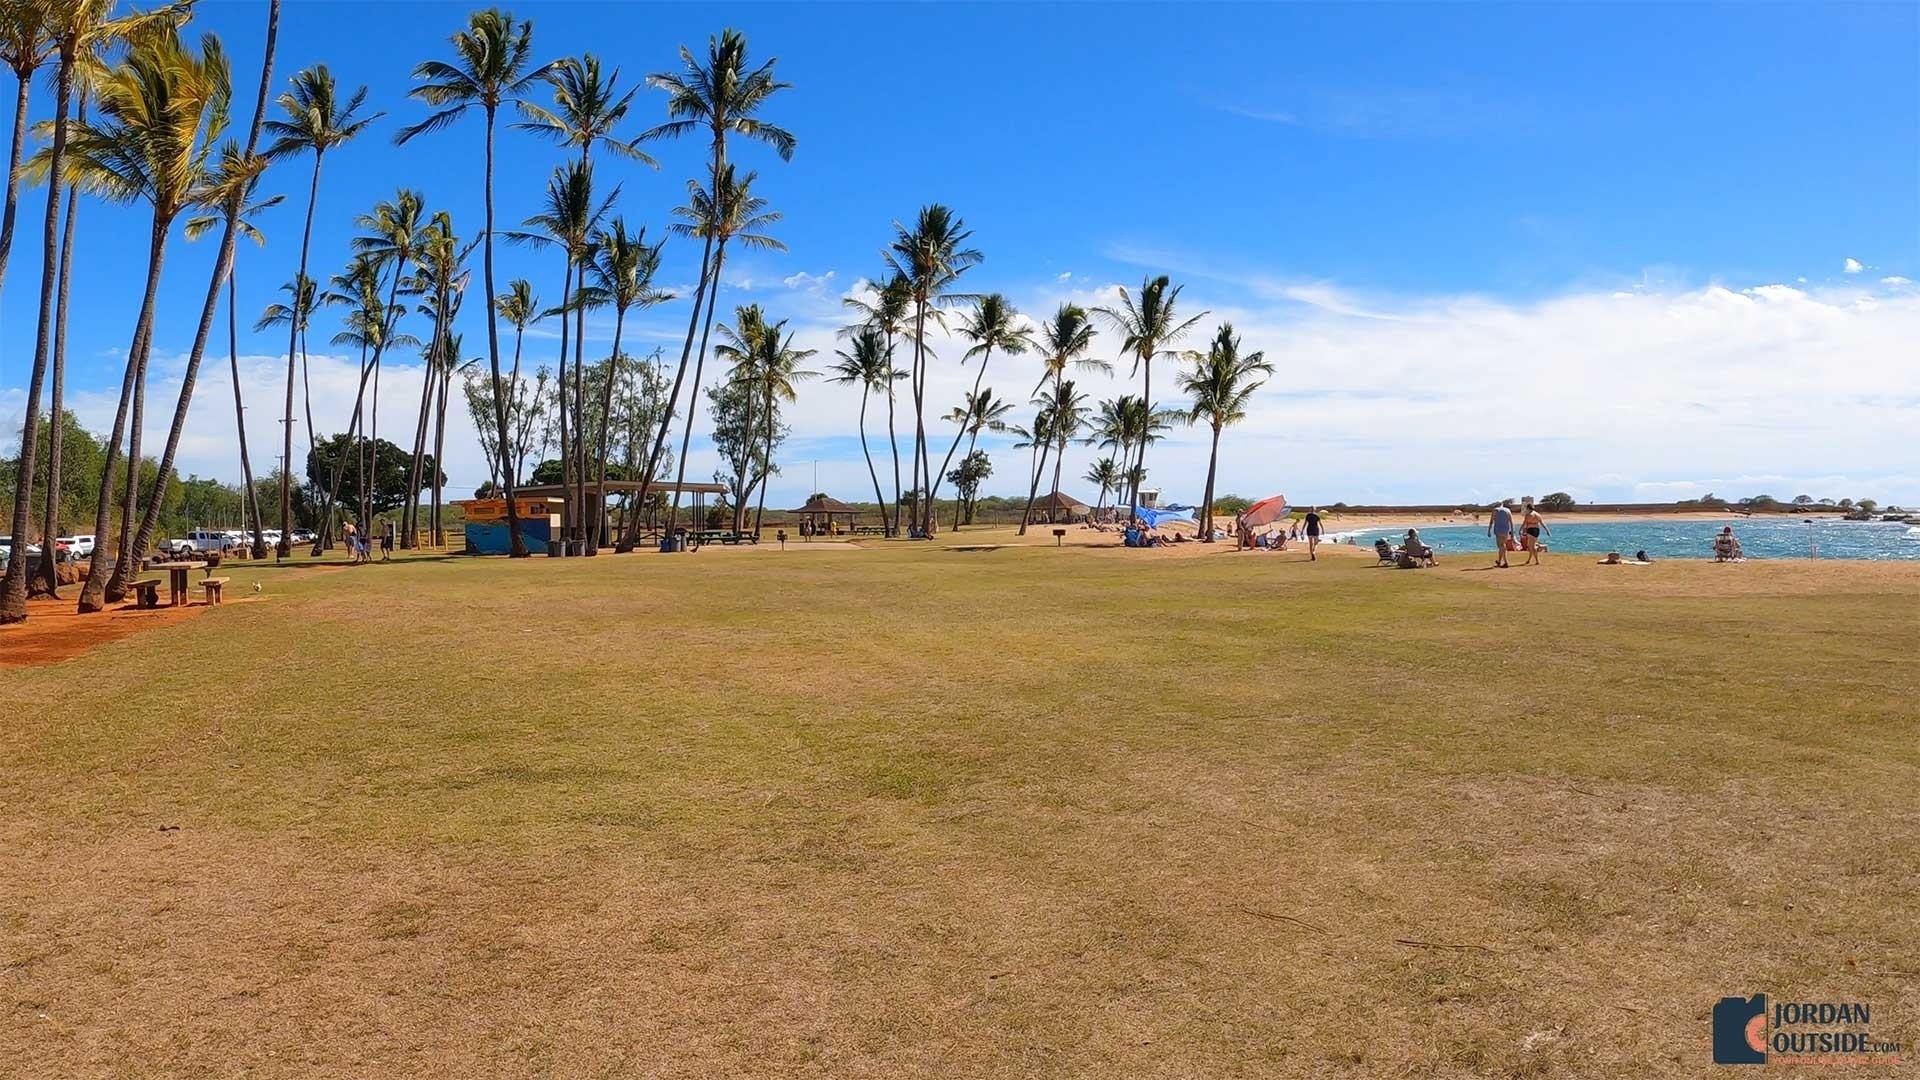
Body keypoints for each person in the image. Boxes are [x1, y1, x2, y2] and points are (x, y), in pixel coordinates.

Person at [1487, 502, 1514, 568]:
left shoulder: (1495, 510)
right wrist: (1512, 531)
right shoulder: (1508, 510)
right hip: (1506, 530)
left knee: (1501, 546)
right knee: (1503, 545)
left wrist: (1489, 530)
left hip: (1498, 530)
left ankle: (1505, 562)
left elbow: (1491, 521)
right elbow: (1511, 522)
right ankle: (1499, 561)